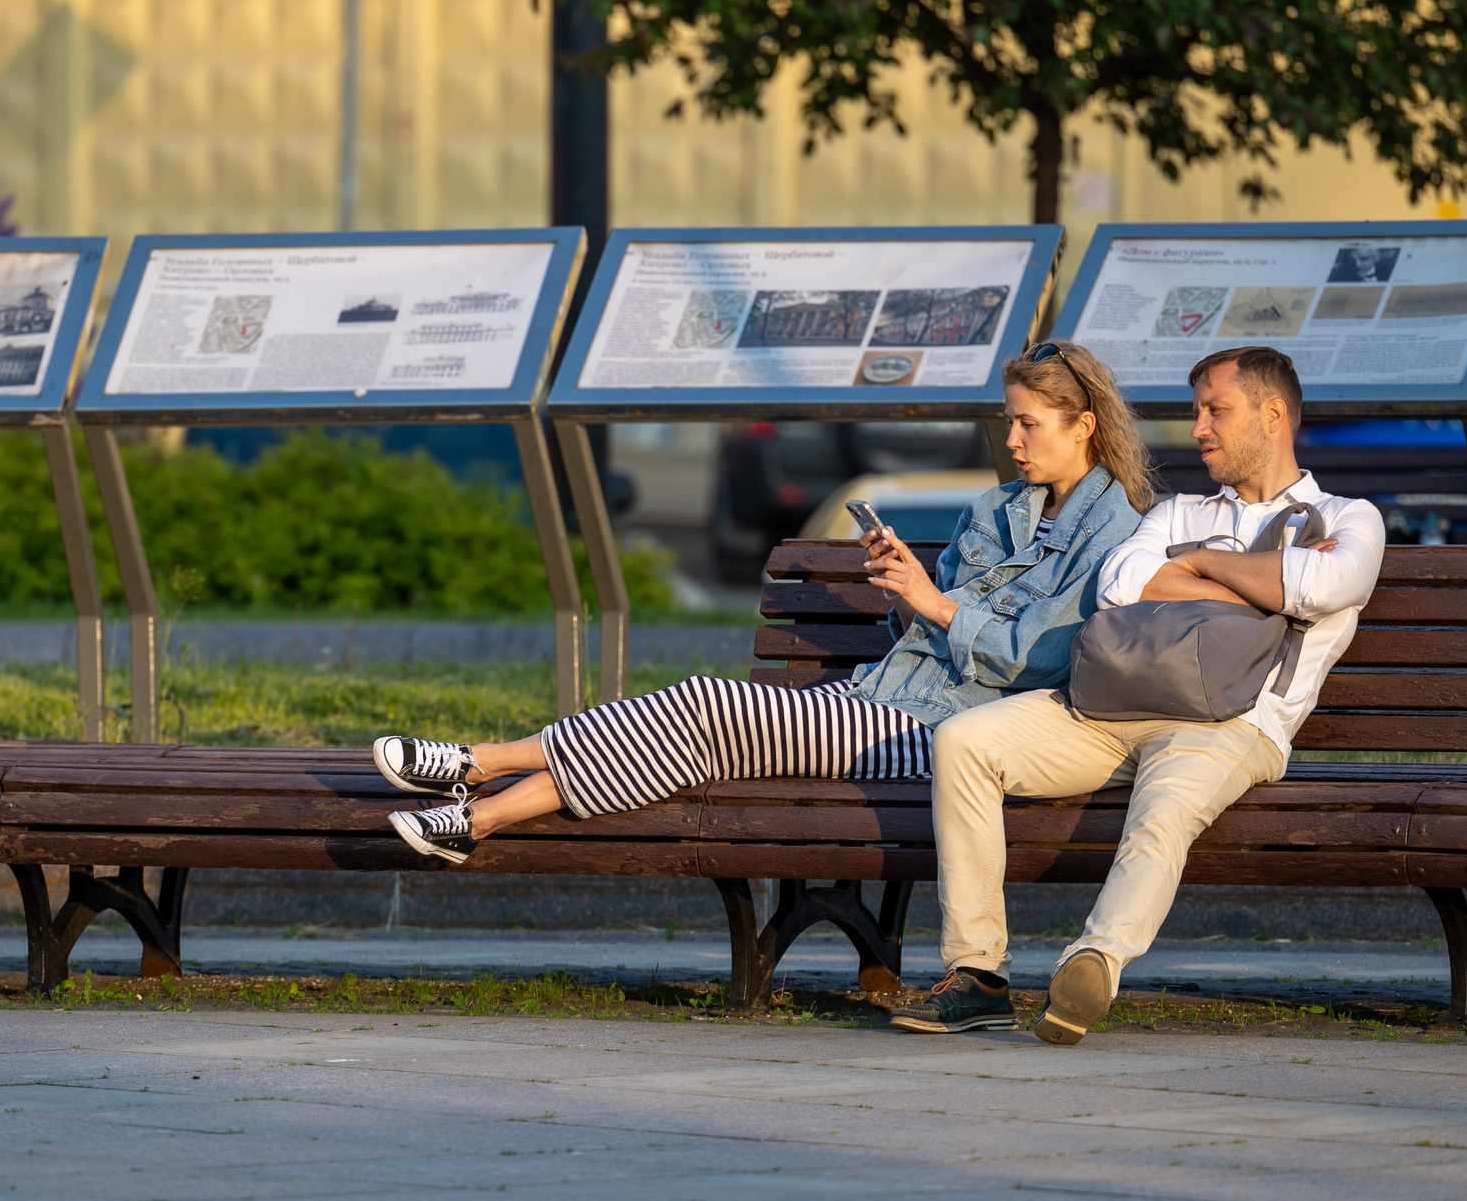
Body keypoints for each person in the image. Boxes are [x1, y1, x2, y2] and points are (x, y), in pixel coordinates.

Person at [370, 343, 1154, 869]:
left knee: (707, 703)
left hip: (949, 732)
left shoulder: (1115, 529)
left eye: (1027, 423)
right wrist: (910, 592)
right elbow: (922, 631)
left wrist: (939, 609)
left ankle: (481, 764)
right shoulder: (995, 508)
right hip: (876, 699)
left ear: (1082, 425)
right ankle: (476, 821)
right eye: (1009, 420)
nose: (1012, 439)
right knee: (696, 739)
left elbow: (1047, 660)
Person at [890, 346, 1385, 1040]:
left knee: (1163, 809)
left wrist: (1200, 562)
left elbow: (1327, 586)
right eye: (1196, 412)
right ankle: (978, 975)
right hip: (1111, 704)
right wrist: (1258, 580)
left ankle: (1093, 961)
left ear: (1273, 416)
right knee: (964, 740)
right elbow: (1119, 582)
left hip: (1232, 722)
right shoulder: (1179, 510)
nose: (1198, 428)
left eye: (1216, 410)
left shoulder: (1346, 518)